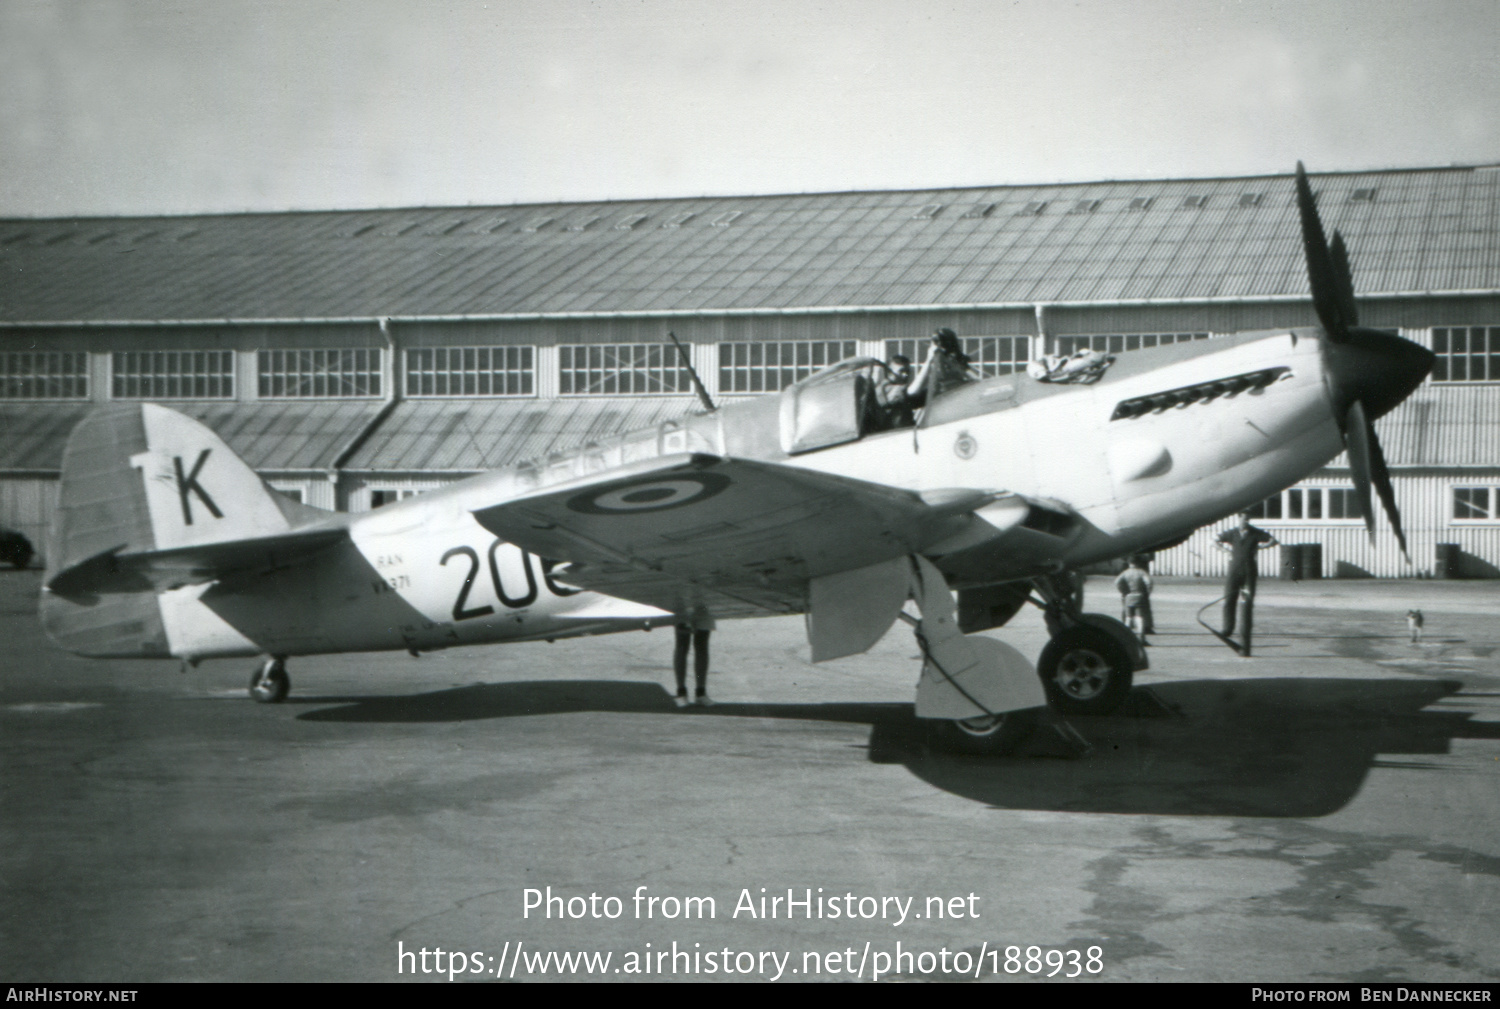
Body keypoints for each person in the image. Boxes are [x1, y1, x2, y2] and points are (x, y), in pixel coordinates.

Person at [1216, 512, 1278, 652]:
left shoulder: (1255, 532)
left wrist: (1261, 547)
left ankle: (1245, 631)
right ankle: (1228, 628)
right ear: (1238, 519)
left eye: (1247, 518)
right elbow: (1215, 540)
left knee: (1248, 601)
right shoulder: (1232, 533)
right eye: (1243, 518)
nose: (1245, 521)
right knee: (1229, 599)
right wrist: (1225, 551)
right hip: (1234, 570)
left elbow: (1274, 540)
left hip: (1249, 570)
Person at [906, 327, 974, 408]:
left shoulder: (965, 382)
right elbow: (912, 392)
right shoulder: (934, 389)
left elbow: (974, 382)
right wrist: (929, 359)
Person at [673, 609, 716, 706]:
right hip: (681, 603)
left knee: (702, 646)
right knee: (682, 645)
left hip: (703, 605)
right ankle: (681, 693)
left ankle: (700, 693)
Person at [1114, 555, 1153, 645]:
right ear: (1138, 562)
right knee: (1140, 618)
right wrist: (1147, 592)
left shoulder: (1125, 573)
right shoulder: (1141, 572)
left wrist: (1123, 591)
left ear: (1129, 563)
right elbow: (1149, 582)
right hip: (1139, 595)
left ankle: (1126, 638)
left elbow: (1117, 582)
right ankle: (1141, 638)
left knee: (1128, 618)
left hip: (1129, 596)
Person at [876, 354, 916, 429]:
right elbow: (911, 391)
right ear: (889, 373)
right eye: (901, 371)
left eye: (907, 372)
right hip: (891, 436)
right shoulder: (885, 389)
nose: (905, 375)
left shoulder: (900, 389)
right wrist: (929, 362)